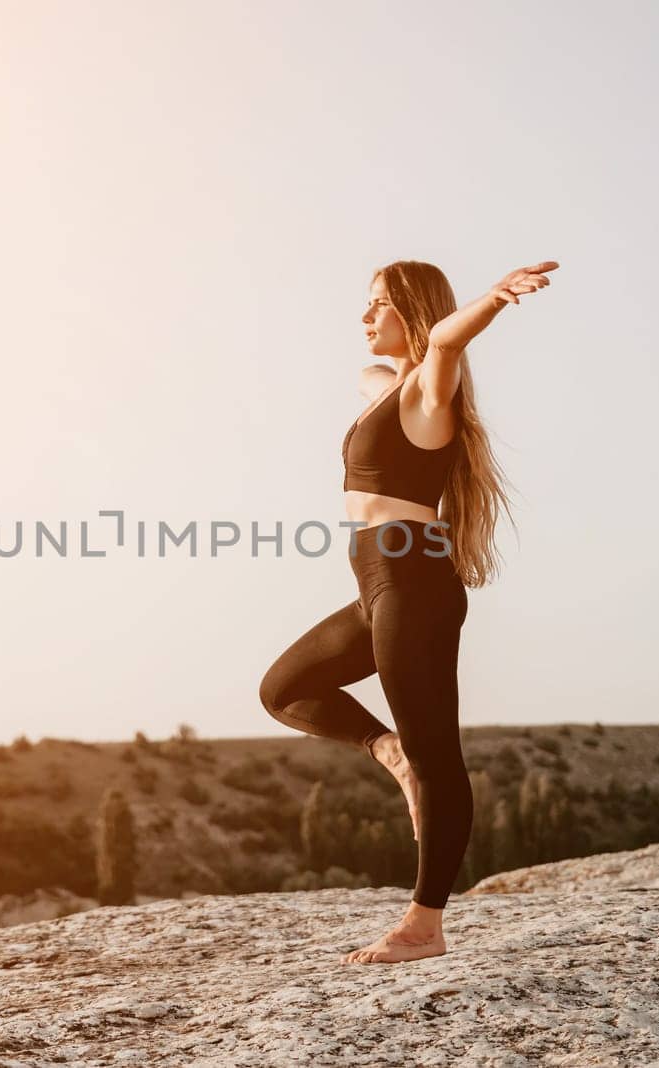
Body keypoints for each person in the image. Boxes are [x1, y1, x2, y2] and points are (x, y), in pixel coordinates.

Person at [258, 258, 558, 964]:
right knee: (284, 690)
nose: (364, 318)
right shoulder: (386, 390)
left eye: (379, 306)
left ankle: (425, 924)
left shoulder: (429, 394)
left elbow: (447, 344)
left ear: (416, 315)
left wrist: (490, 301)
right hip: (380, 587)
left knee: (438, 758)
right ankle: (384, 749)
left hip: (412, 585)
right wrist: (397, 354)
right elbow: (377, 374)